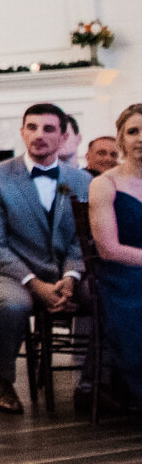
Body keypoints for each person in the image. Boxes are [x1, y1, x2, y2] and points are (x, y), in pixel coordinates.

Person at [0, 103, 91, 414]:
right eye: (32, 127)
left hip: (66, 275)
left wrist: (71, 277)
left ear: (64, 136)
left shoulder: (81, 181)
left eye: (49, 129)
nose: (39, 135)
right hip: (8, 273)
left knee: (108, 294)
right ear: (22, 131)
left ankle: (94, 384)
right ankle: (3, 382)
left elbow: (83, 240)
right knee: (15, 305)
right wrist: (36, 285)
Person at [86, 105, 142, 406]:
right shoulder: (104, 184)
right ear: (120, 140)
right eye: (133, 131)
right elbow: (108, 248)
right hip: (122, 273)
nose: (141, 138)